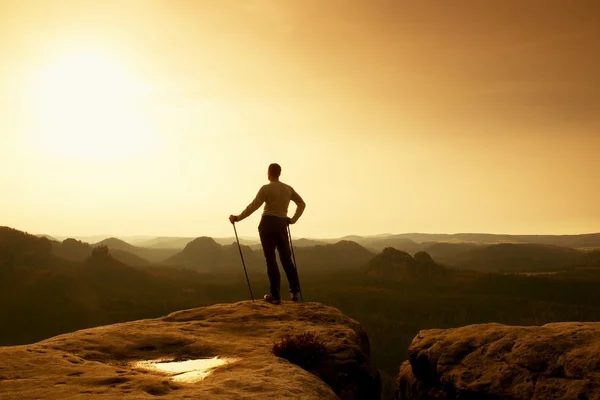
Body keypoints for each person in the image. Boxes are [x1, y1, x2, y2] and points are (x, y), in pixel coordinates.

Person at [229, 163, 306, 304]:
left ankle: (275, 295)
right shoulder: (288, 189)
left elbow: (253, 206)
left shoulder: (266, 188)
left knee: (271, 259)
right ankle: (294, 291)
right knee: (286, 258)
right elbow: (302, 204)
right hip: (282, 223)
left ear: (269, 173)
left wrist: (238, 218)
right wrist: (293, 220)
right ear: (280, 173)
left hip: (267, 224)